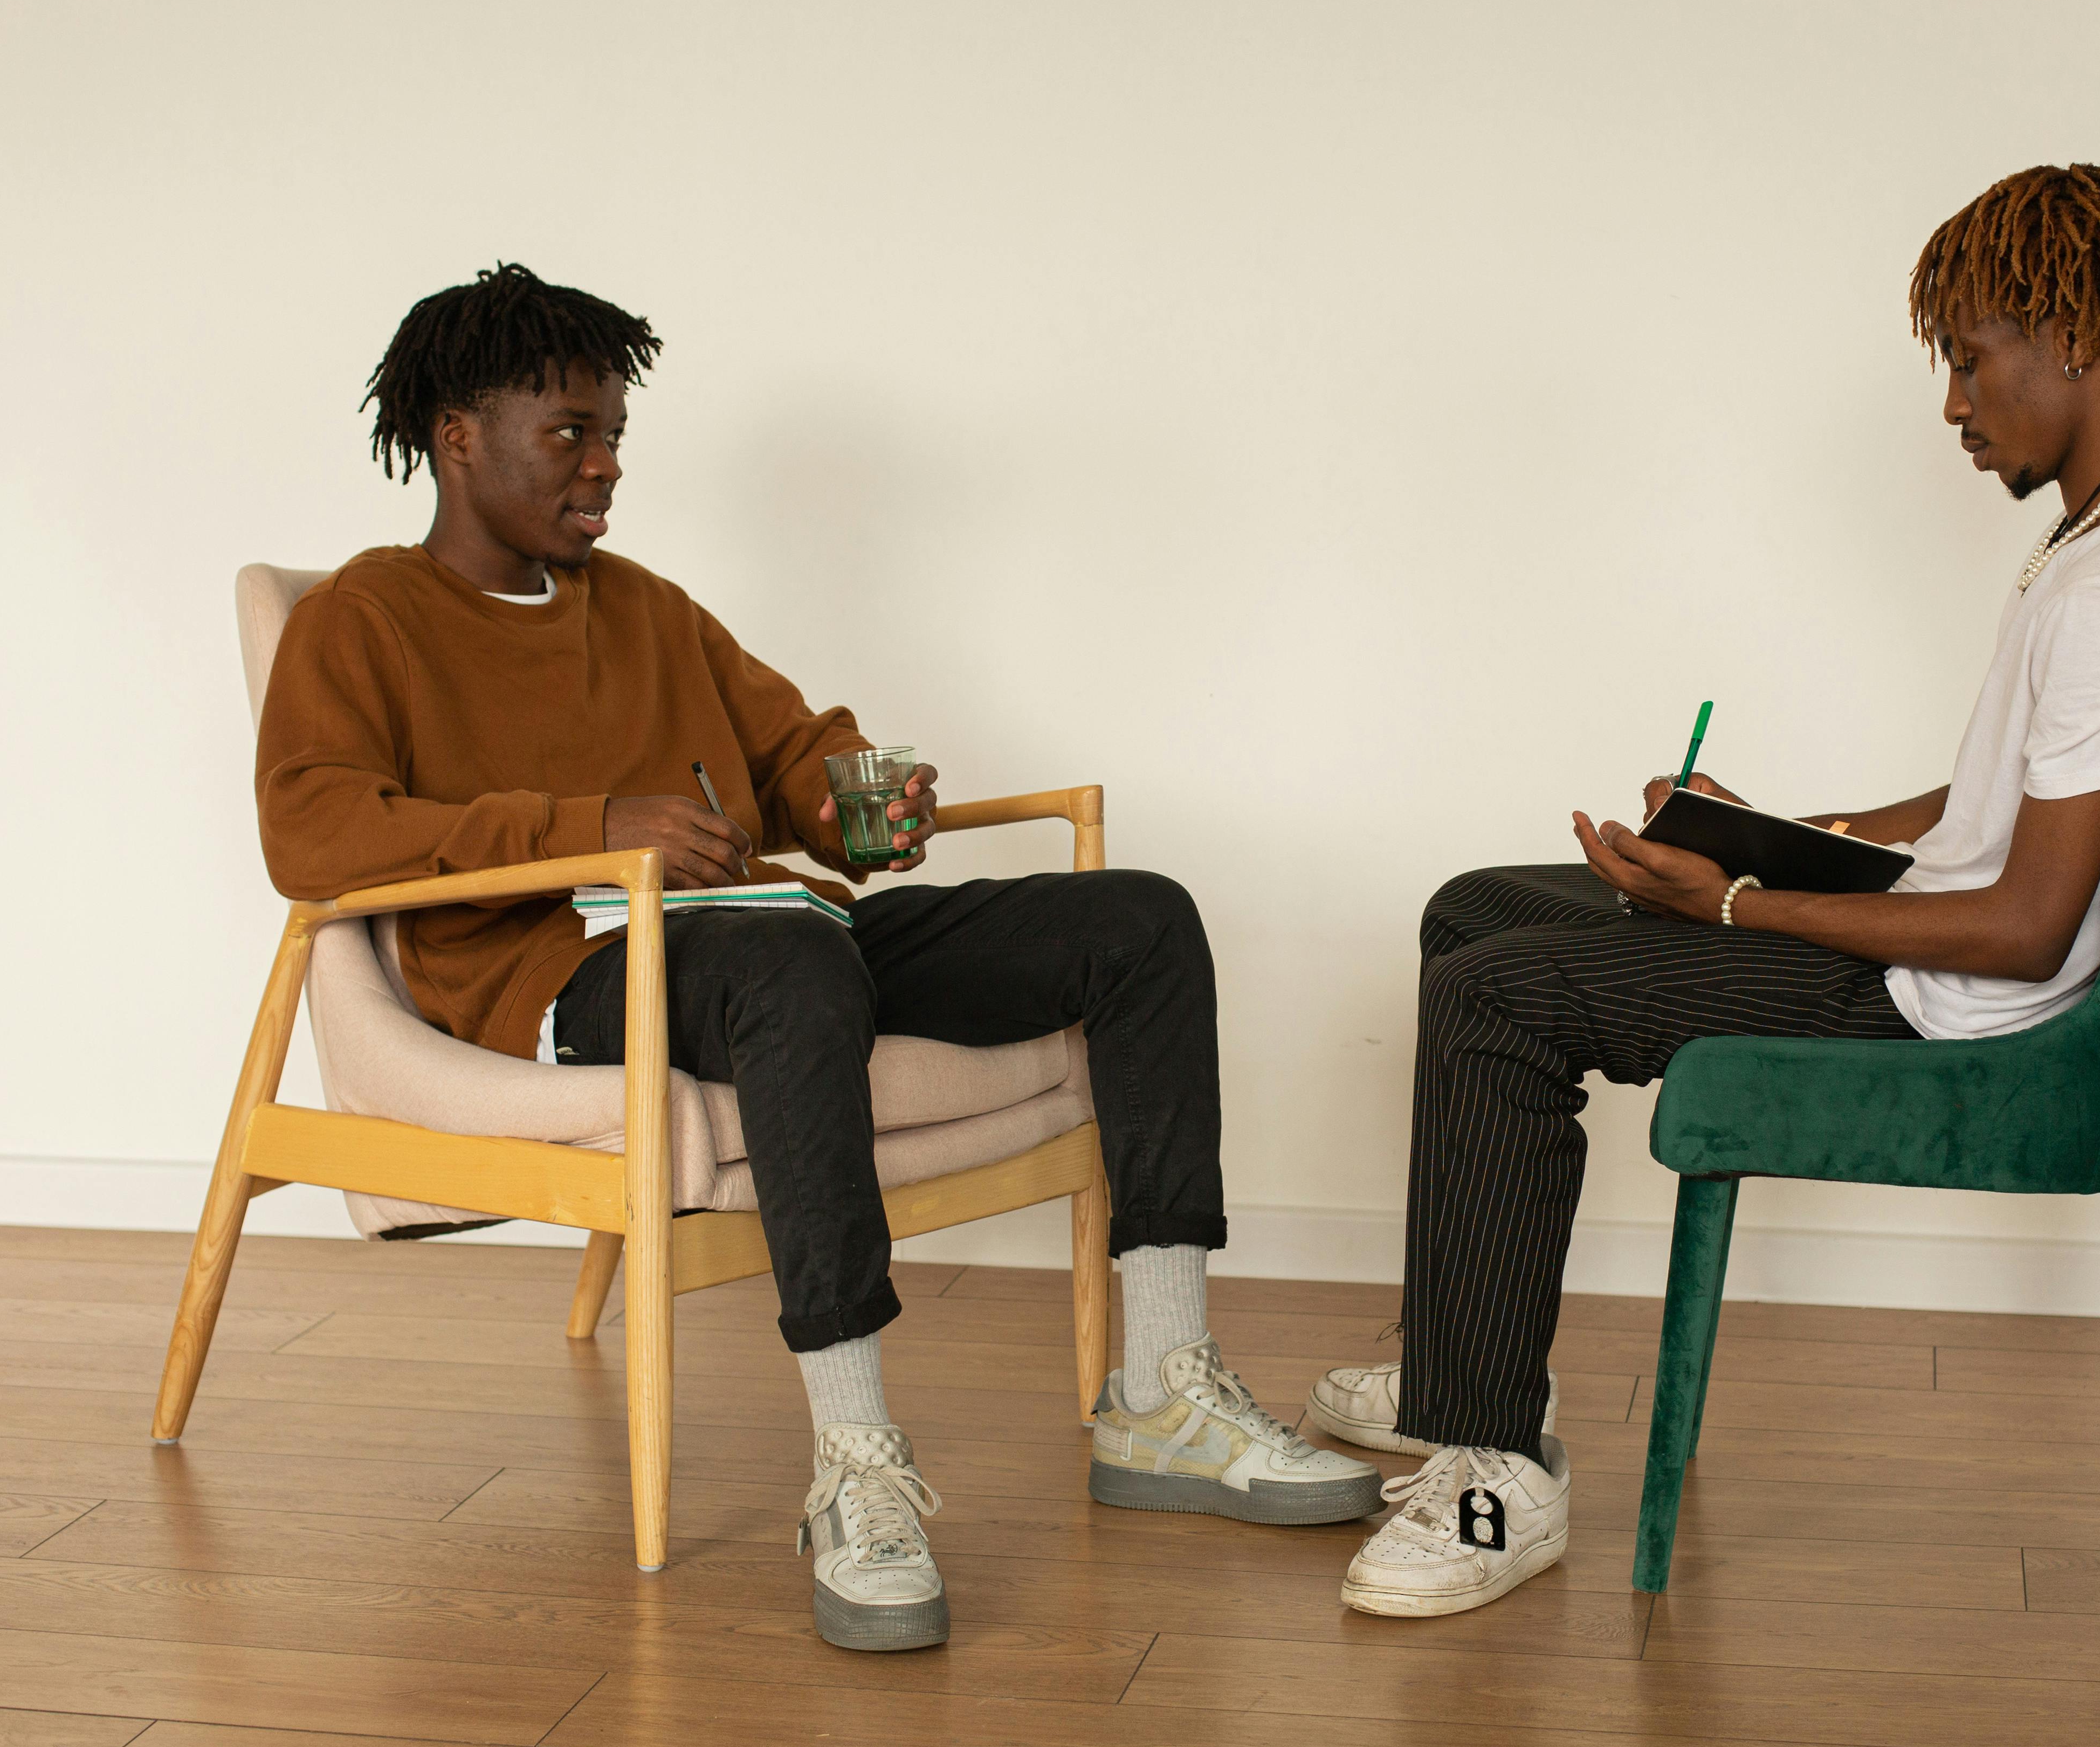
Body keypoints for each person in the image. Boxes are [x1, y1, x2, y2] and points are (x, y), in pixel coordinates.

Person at [255, 263, 1376, 1652]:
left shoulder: (647, 607)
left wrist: (857, 797)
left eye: (616, 436)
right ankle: (854, 1460)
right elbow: (314, 832)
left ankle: (1163, 1394)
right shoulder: (364, 618)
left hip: (780, 934)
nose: (606, 468)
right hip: (569, 970)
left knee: (1138, 921)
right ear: (457, 435)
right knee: (792, 968)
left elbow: (787, 758)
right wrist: (601, 827)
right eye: (571, 435)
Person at [1308, 158, 2100, 1620]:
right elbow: (2013, 801)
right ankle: (1463, 1367)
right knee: (1478, 910)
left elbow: (2024, 924)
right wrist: (1785, 832)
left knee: (1499, 997)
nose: (1952, 401)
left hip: (1966, 1008)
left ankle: (1496, 1472)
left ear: (2073, 338)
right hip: (1948, 954)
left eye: (1971, 356)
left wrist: (1733, 908)